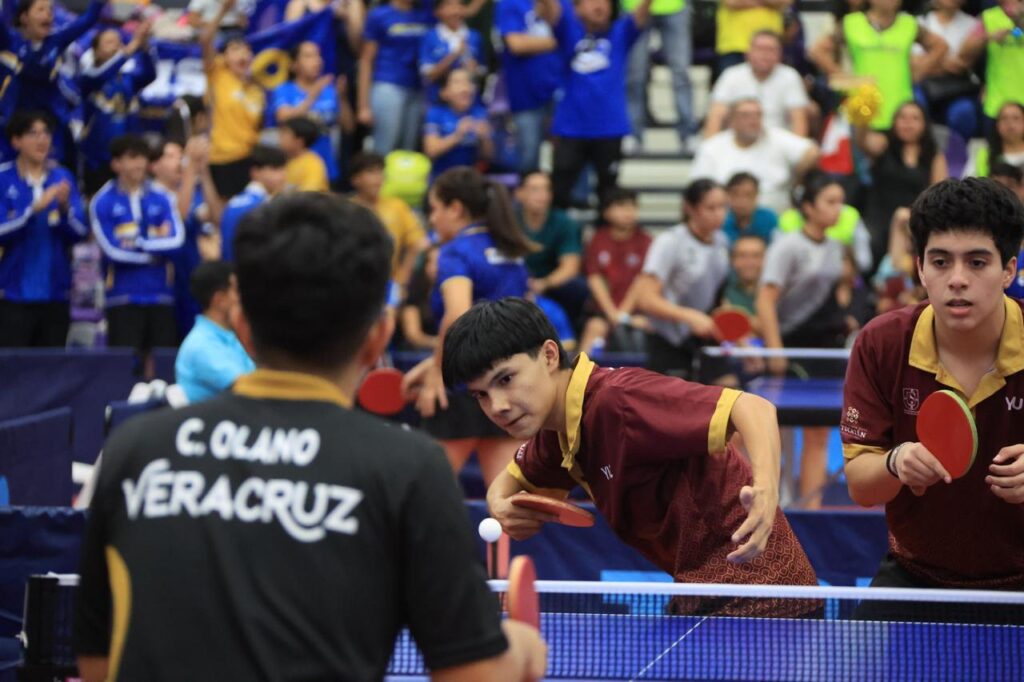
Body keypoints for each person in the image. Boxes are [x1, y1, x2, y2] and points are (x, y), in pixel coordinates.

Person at [74, 191, 547, 681]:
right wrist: (523, 649)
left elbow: (97, 665)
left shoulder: (136, 451)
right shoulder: (408, 468)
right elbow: (474, 675)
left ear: (241, 327)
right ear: (379, 337)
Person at [443, 297, 818, 616]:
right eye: (481, 395)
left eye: (506, 379)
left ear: (549, 355)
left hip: (765, 593)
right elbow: (510, 479)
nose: (497, 406)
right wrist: (498, 503)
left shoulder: (619, 399)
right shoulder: (557, 432)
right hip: (699, 591)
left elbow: (753, 407)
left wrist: (767, 489)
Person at [841, 177, 1024, 622]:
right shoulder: (882, 344)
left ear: (1009, 270)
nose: (957, 279)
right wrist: (895, 462)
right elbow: (861, 487)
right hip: (916, 576)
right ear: (920, 268)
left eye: (977, 262)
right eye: (941, 262)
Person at [401, 167, 537, 486]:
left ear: (455, 208)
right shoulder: (510, 250)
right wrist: (431, 363)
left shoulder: (455, 251)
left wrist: (439, 371)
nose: (432, 219)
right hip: (509, 385)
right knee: (506, 501)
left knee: (425, 493)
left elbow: (459, 314)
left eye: (435, 209)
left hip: (465, 385)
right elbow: (503, 322)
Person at [756, 172, 849, 509]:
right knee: (777, 431)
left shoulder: (836, 247)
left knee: (819, 430)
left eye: (840, 202)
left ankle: (812, 509)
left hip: (826, 350)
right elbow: (765, 300)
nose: (838, 209)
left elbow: (835, 291)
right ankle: (774, 507)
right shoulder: (788, 246)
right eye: (830, 201)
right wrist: (775, 351)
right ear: (808, 207)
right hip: (792, 346)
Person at [536, 0, 653, 209]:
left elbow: (642, 12)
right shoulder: (568, 30)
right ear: (577, 8)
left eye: (605, 1)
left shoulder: (620, 32)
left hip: (610, 128)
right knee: (559, 193)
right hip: (571, 127)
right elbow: (550, 9)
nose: (600, 6)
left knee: (608, 195)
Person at [0, 111, 88, 347]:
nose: (42, 140)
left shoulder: (63, 177)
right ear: (16, 141)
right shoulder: (3, 179)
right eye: (33, 133)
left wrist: (63, 210)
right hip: (13, 294)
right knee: (12, 365)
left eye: (46, 133)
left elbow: (80, 232)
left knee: (52, 365)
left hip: (56, 294)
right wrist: (33, 210)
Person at [90, 134, 185, 353]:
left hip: (161, 295)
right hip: (123, 297)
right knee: (125, 365)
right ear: (116, 164)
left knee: (161, 363)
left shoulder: (163, 197)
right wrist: (156, 244)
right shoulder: (103, 201)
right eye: (132, 157)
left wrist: (138, 242)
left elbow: (176, 241)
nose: (140, 163)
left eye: (143, 157)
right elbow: (112, 251)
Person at [634, 179, 731, 378]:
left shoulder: (722, 242)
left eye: (723, 207)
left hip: (704, 337)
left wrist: (738, 338)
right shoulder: (670, 242)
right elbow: (645, 299)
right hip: (669, 340)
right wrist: (689, 316)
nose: (719, 214)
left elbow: (717, 297)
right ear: (690, 208)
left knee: (729, 388)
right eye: (710, 208)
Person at [809, 0, 947, 131]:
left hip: (900, 107)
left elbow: (940, 46)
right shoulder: (852, 23)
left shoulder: (909, 24)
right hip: (864, 107)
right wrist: (846, 78)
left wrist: (919, 72)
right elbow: (817, 51)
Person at [2, 0, 106, 165]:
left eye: (50, 10)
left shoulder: (56, 40)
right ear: (24, 17)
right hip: (12, 123)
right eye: (41, 10)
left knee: (53, 169)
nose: (48, 14)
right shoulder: (9, 41)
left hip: (48, 123)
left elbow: (89, 18)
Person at [856, 100, 948, 270]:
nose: (908, 123)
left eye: (914, 118)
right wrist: (863, 112)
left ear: (925, 124)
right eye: (903, 118)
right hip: (878, 217)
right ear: (894, 122)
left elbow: (939, 195)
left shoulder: (934, 155)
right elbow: (863, 141)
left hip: (912, 220)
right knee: (871, 243)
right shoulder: (884, 144)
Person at [149, 136, 224, 340]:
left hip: (191, 278)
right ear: (154, 166)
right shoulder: (152, 196)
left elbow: (216, 217)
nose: (179, 160)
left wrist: (204, 171)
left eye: (181, 155)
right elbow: (178, 218)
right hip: (165, 281)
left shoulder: (192, 192)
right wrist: (190, 168)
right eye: (170, 156)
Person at [691, 98, 819, 215]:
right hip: (728, 218)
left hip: (778, 216)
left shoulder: (775, 137)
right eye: (745, 115)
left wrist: (796, 181)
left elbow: (812, 152)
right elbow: (700, 189)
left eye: (758, 115)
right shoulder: (712, 147)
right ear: (732, 120)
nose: (753, 120)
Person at [78, 20, 156, 196]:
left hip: (128, 154)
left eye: (118, 42)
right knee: (96, 199)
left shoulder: (128, 78)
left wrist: (144, 47)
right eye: (109, 42)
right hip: (98, 157)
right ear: (96, 51)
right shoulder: (89, 77)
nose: (116, 46)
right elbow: (104, 73)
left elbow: (150, 74)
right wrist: (132, 45)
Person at [200, 0, 266, 199]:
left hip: (250, 159)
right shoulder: (218, 74)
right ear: (224, 57)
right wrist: (223, 11)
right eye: (236, 49)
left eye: (247, 50)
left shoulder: (257, 90)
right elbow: (206, 39)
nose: (243, 54)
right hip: (222, 157)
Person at [268, 40, 354, 188]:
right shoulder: (284, 90)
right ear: (294, 65)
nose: (317, 61)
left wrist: (342, 98)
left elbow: (348, 127)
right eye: (309, 56)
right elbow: (283, 118)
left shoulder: (329, 91)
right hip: (295, 169)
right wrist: (312, 96)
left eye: (318, 55)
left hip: (327, 165)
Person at [579, 187, 651, 354]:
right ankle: (579, 370)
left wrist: (623, 315)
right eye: (621, 206)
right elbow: (595, 279)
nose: (628, 212)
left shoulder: (646, 241)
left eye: (632, 206)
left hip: (636, 313)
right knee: (594, 327)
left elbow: (643, 281)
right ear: (606, 212)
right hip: (604, 313)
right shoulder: (597, 240)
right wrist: (613, 314)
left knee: (644, 329)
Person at [358, 0, 434, 154]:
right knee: (384, 147)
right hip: (387, 84)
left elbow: (461, 11)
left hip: (418, 88)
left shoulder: (425, 13)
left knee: (409, 150)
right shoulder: (379, 15)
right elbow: (366, 61)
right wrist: (363, 105)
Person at [621, 0, 696, 156]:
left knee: (681, 73)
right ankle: (632, 133)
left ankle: (688, 134)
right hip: (634, 6)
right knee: (634, 76)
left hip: (674, 6)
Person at [704, 30, 809, 138]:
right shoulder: (731, 75)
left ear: (780, 54)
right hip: (738, 140)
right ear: (748, 53)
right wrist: (710, 146)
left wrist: (799, 146)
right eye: (760, 49)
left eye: (771, 49)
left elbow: (799, 119)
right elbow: (716, 115)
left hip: (777, 139)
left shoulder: (790, 76)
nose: (765, 54)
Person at [515, 170, 589, 324]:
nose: (541, 195)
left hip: (549, 284)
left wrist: (544, 283)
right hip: (513, 280)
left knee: (577, 287)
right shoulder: (507, 219)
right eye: (535, 189)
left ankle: (569, 332)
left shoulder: (564, 222)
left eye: (546, 189)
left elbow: (571, 266)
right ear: (519, 193)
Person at [495, 0, 561, 173]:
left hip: (560, 90)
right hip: (525, 93)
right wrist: (558, 41)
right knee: (528, 157)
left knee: (569, 154)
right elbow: (516, 44)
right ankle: (527, 191)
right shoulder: (510, 3)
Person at [175, 261, 254, 402]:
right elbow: (250, 389)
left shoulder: (232, 337)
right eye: (237, 291)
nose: (242, 298)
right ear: (220, 300)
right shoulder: (201, 345)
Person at [349, 152, 429, 291]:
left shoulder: (397, 206)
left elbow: (419, 243)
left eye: (380, 172)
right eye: (371, 172)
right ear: (356, 179)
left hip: (388, 285)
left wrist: (402, 278)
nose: (378, 178)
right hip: (351, 283)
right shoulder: (345, 209)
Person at [958, 0, 1024, 133]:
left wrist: (1020, 20)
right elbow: (964, 53)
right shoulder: (988, 17)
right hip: (997, 104)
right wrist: (988, 37)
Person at [219, 145, 288, 262]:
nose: (282, 175)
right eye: (275, 169)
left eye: (283, 169)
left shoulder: (234, 202)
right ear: (255, 172)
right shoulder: (263, 206)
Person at [423, 68, 493, 182]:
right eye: (457, 82)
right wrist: (457, 135)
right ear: (444, 92)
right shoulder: (436, 113)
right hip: (441, 178)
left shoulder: (480, 113)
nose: (465, 87)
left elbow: (488, 157)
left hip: (470, 178)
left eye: (468, 82)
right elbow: (431, 151)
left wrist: (485, 139)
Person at [420, 0, 484, 104]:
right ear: (437, 11)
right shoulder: (429, 37)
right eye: (449, 6)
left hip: (471, 103)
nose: (455, 11)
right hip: (437, 102)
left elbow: (481, 72)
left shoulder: (474, 36)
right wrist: (455, 55)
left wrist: (474, 70)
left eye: (459, 5)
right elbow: (429, 76)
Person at [964, 101, 1024, 178]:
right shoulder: (983, 155)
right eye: (1004, 118)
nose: (1010, 123)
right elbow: (968, 182)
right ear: (997, 124)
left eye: (1016, 118)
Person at [721, 171, 777, 245]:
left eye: (748, 195)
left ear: (756, 195)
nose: (741, 200)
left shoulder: (769, 218)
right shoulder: (721, 221)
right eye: (735, 194)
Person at [280, 116, 330, 192]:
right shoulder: (283, 160)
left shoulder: (313, 164)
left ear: (299, 141)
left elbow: (309, 193)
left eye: (285, 134)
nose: (280, 138)